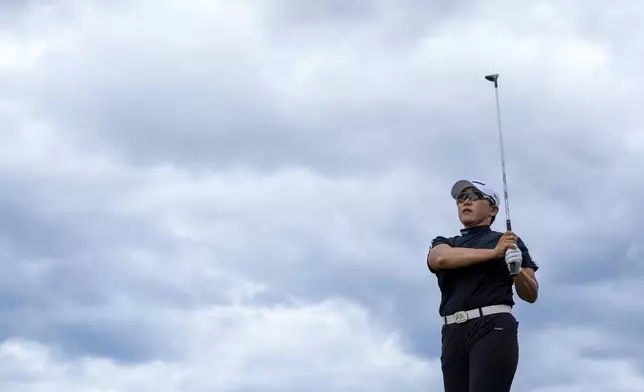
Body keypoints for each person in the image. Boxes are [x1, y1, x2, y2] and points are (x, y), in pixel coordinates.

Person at [426, 179, 539, 392]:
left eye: (474, 196)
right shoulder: (446, 242)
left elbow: (531, 293)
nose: (465, 201)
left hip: (493, 325)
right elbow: (439, 259)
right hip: (452, 330)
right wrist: (495, 254)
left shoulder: (509, 242)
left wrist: (516, 271)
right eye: (461, 197)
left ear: (493, 209)